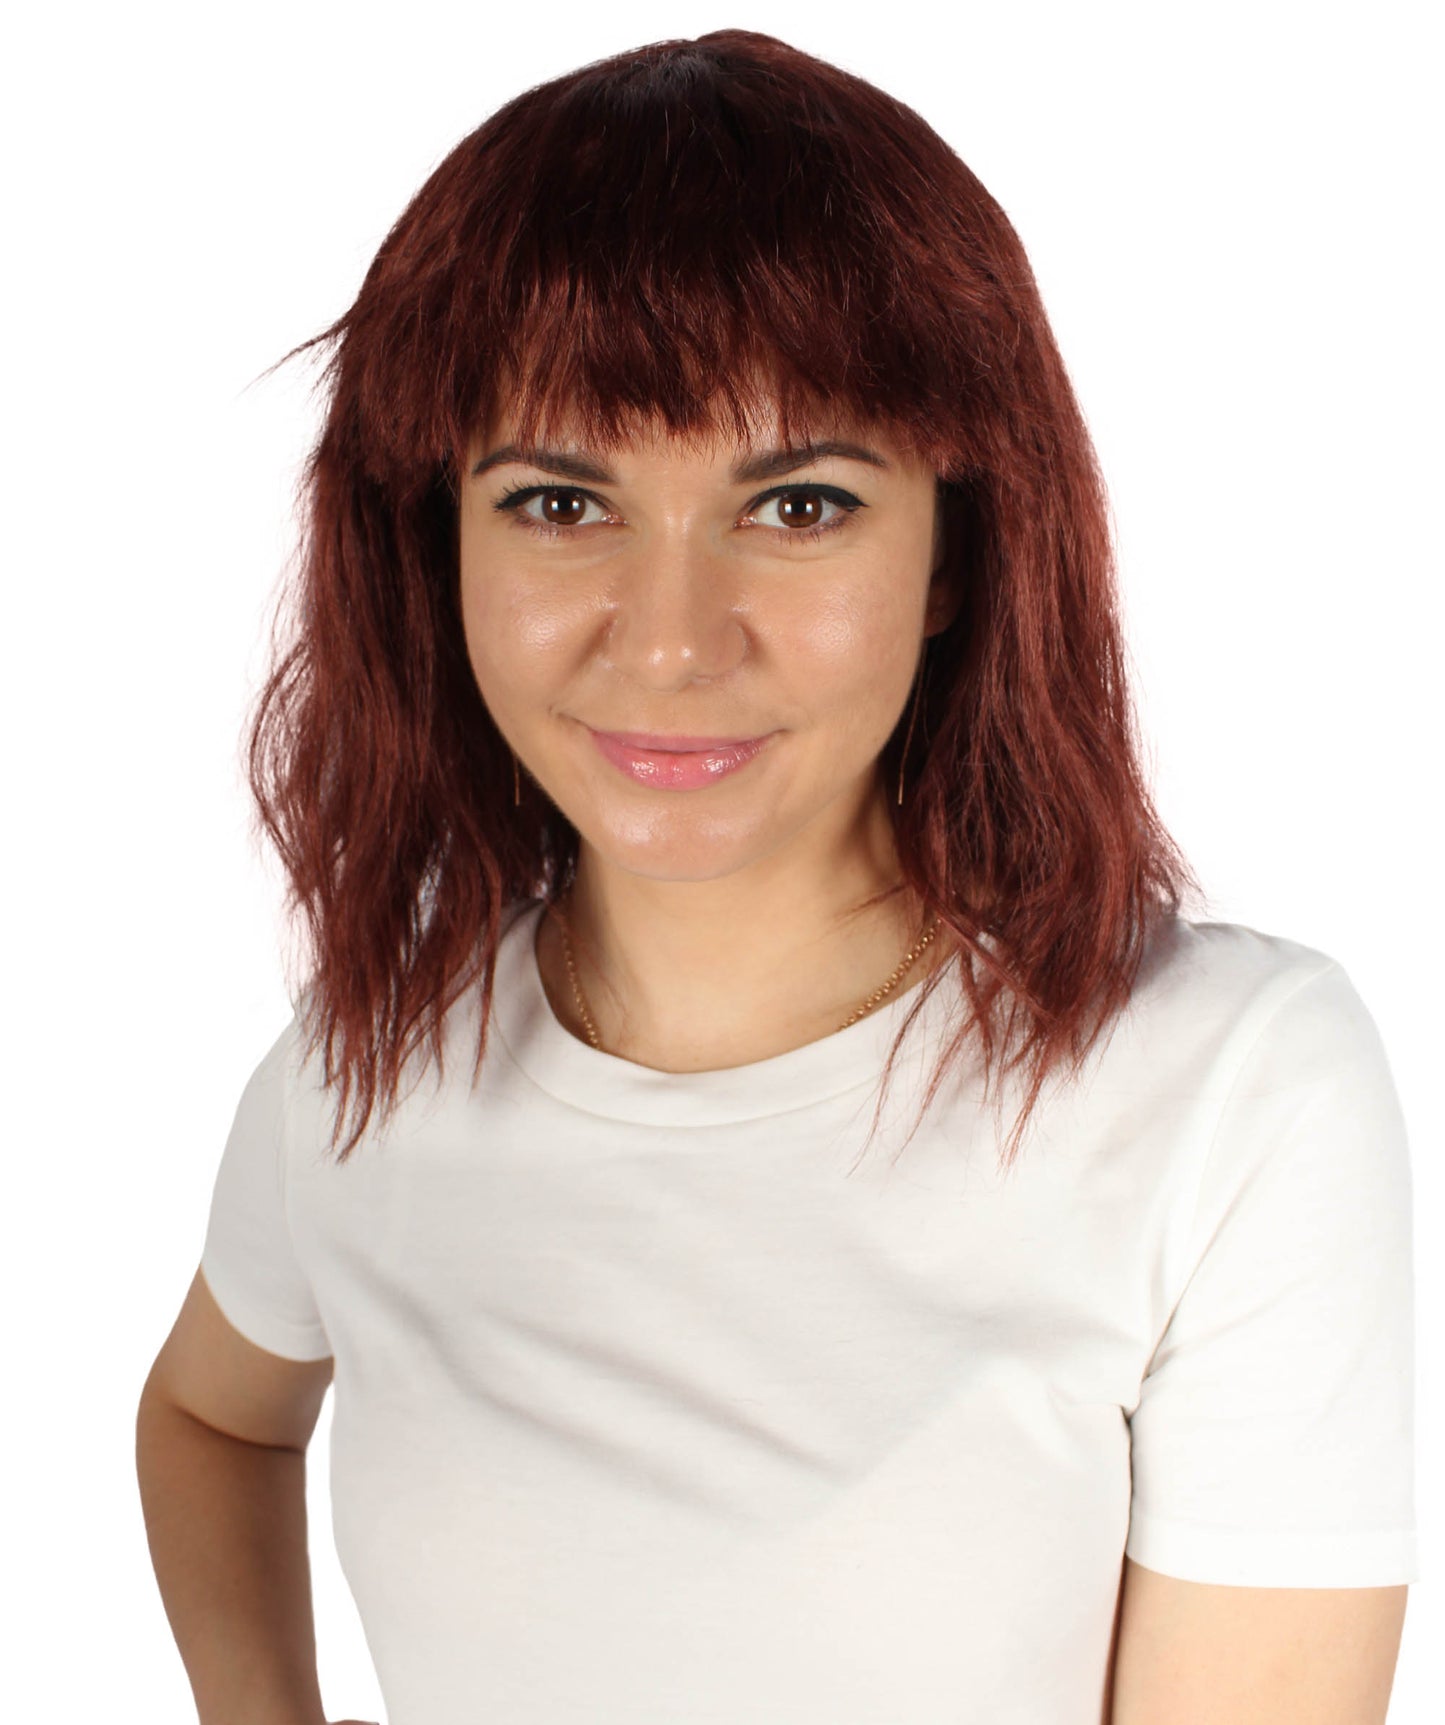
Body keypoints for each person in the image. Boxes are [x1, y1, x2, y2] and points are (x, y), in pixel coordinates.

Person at [134, 28, 1417, 1725]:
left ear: (955, 548)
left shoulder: (1224, 1086)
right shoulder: (359, 1075)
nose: (670, 642)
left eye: (798, 505)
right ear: (434, 541)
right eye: (559, 501)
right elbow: (210, 1416)